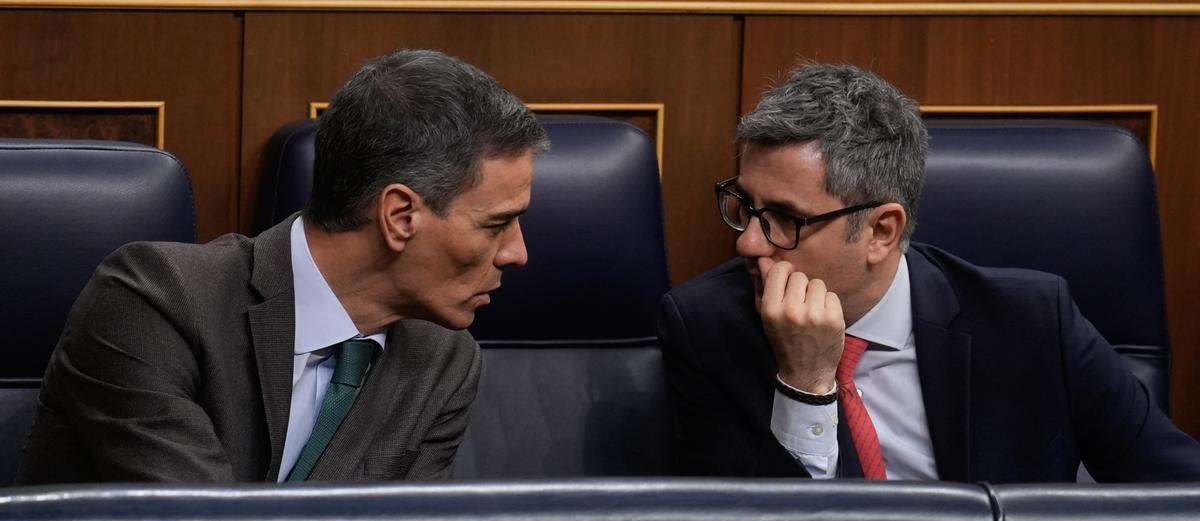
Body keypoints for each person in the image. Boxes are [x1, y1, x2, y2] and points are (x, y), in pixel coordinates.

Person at [16, 49, 548, 483]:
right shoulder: (154, 302)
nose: (517, 253)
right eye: (495, 225)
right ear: (400, 216)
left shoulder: (443, 361)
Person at [658, 62, 1200, 481]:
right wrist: (804, 387)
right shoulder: (709, 329)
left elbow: (1177, 498)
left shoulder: (1033, 323)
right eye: (745, 205)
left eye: (784, 220)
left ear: (881, 231)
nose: (748, 242)